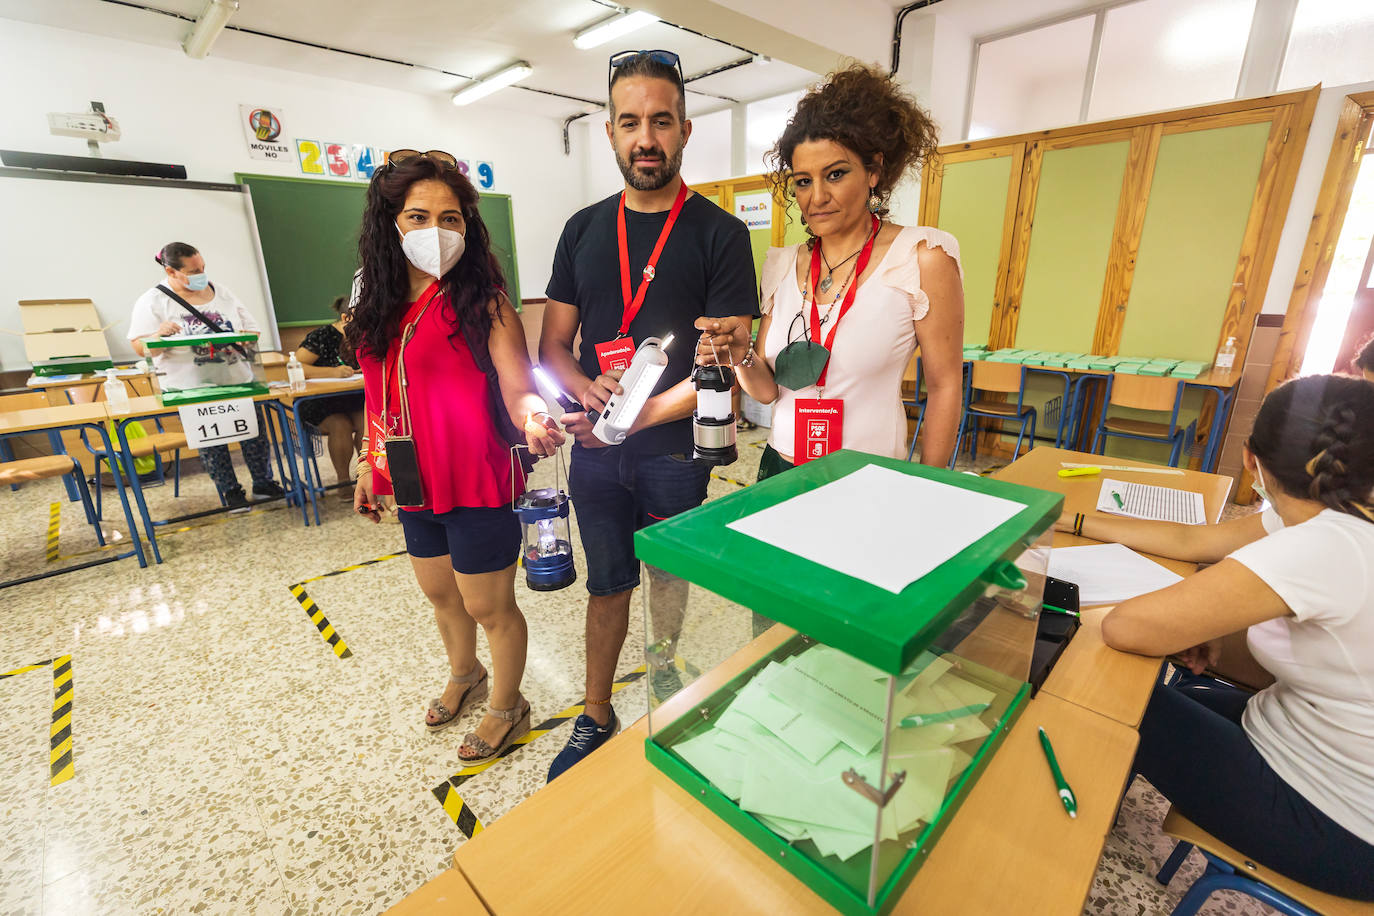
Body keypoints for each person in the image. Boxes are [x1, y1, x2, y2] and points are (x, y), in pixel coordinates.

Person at [1068, 374, 1374, 900]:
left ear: (1250, 459)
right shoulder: (1339, 517)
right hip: (1307, 740)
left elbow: (1125, 627)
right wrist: (1072, 519)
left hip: (1337, 822)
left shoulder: (1323, 545)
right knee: (1165, 691)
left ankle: (1052, 843)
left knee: (1108, 698)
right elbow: (1193, 539)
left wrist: (1196, 620)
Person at [539, 50, 758, 780]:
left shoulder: (720, 234)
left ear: (685, 130)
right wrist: (586, 388)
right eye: (630, 121)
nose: (646, 137)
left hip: (677, 449)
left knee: (666, 575)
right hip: (598, 451)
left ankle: (666, 692)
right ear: (608, 132)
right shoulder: (581, 230)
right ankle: (595, 712)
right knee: (608, 580)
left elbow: (726, 358)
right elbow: (554, 348)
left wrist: (643, 413)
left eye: (660, 121)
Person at [350, 149, 563, 763]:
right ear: (390, 223)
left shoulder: (485, 302)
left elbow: (518, 383)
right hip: (412, 478)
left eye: (451, 219)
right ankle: (464, 673)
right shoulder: (376, 307)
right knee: (442, 596)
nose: (436, 233)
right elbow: (375, 396)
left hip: (474, 475)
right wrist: (370, 465)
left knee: (488, 604)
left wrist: (532, 417)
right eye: (419, 217)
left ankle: (508, 704)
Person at [694, 63, 964, 478]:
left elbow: (945, 387)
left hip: (869, 476)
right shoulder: (781, 265)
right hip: (779, 468)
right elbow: (768, 393)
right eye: (803, 181)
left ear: (874, 171)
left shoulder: (922, 257)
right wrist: (740, 352)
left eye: (835, 175)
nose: (817, 196)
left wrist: (931, 485)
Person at [129, 242, 285, 510]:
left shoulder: (221, 292)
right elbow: (139, 346)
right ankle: (230, 492)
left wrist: (242, 340)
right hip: (192, 388)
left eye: (202, 267)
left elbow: (252, 330)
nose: (201, 274)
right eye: (193, 270)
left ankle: (263, 483)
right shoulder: (153, 301)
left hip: (238, 380)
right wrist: (157, 335)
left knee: (253, 434)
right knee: (213, 442)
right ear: (171, 271)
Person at [295, 295, 365, 497]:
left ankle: (367, 476)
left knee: (367, 424)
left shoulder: (365, 336)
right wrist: (332, 372)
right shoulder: (323, 336)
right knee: (340, 426)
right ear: (345, 318)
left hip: (353, 398)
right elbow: (296, 367)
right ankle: (343, 481)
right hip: (321, 402)